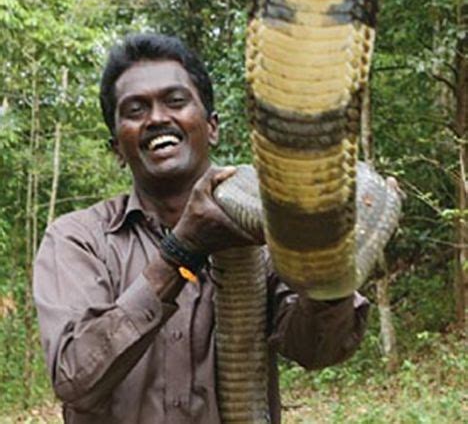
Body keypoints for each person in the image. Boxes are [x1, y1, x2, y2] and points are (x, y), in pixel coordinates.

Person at [34, 33, 369, 424]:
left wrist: (330, 264)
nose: (157, 117)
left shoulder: (265, 231)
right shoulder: (78, 239)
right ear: (116, 150)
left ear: (211, 127)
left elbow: (316, 349)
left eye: (175, 101)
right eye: (136, 109)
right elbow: (75, 378)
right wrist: (182, 250)